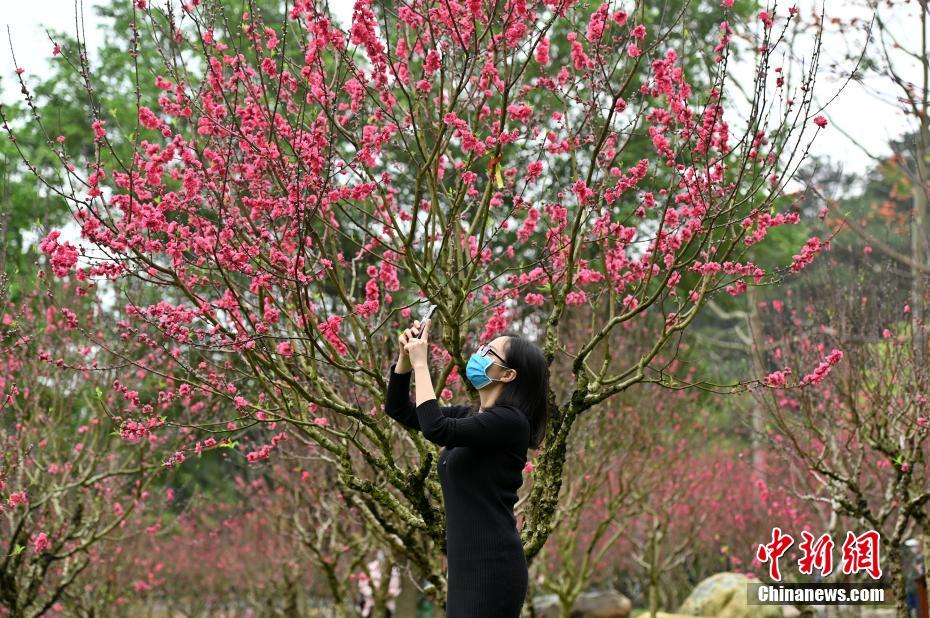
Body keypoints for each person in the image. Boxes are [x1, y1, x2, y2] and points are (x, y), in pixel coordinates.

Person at [384, 317, 550, 618]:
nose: (479, 352)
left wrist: (423, 365)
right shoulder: (471, 416)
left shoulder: (511, 423)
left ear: (509, 374)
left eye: (490, 353)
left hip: (492, 567)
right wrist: (405, 360)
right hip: (465, 566)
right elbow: (399, 410)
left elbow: (436, 429)